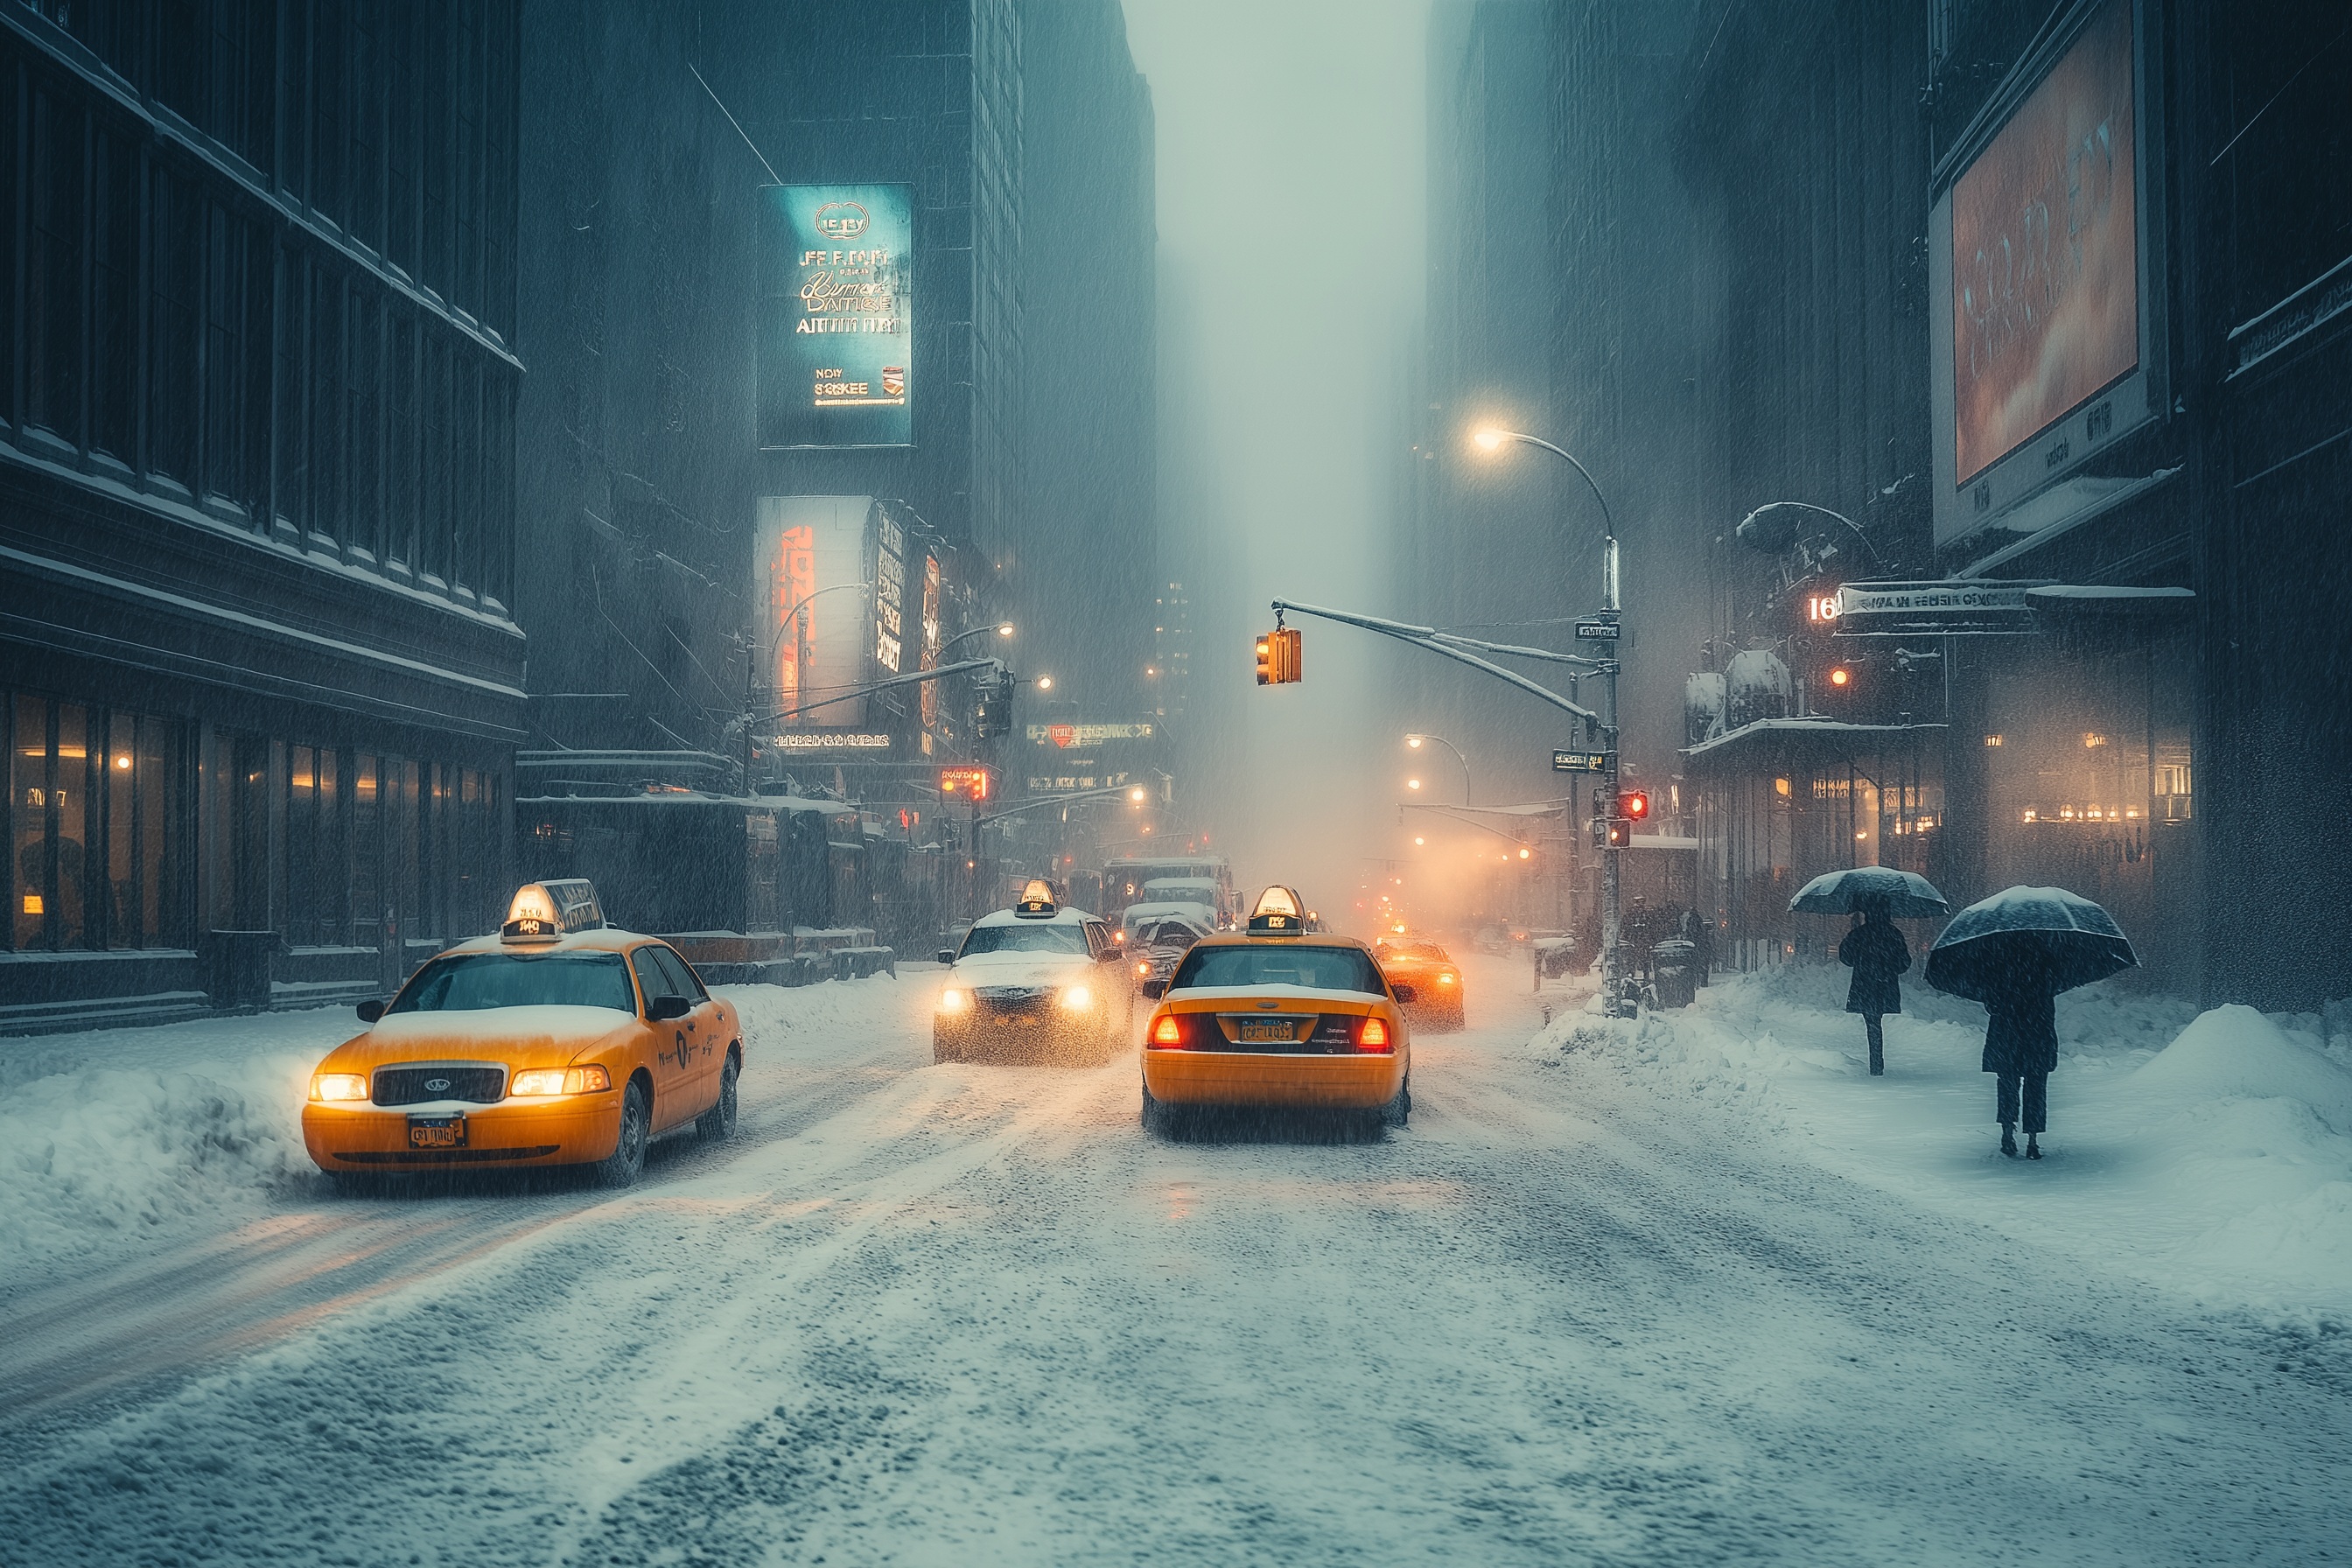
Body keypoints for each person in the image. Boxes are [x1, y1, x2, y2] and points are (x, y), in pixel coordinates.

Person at [1981, 947, 2058, 1158]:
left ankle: (2007, 1133)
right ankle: (2033, 1141)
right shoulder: (2047, 959)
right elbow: (2050, 1001)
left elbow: (1991, 1004)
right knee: (2036, 1087)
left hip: (2007, 1036)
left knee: (2007, 1084)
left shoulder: (1997, 959)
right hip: (2037, 1035)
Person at [1837, 898, 1909, 1075]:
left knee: (1872, 1022)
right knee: (1876, 1022)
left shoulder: (1860, 934)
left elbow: (1846, 959)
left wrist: (1852, 937)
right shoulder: (1894, 934)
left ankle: (1876, 1062)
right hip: (1885, 985)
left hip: (1864, 986)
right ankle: (1877, 1061)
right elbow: (1904, 964)